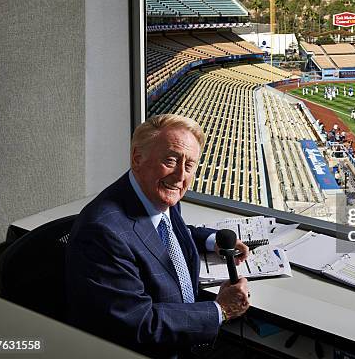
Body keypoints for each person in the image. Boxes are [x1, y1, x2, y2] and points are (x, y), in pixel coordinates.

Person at [66, 114, 251, 358]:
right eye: (171, 160)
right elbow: (140, 324)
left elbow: (167, 231)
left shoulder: (156, 191)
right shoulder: (102, 232)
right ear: (137, 158)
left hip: (183, 334)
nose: (180, 176)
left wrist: (210, 240)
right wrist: (220, 310)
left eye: (189, 165)